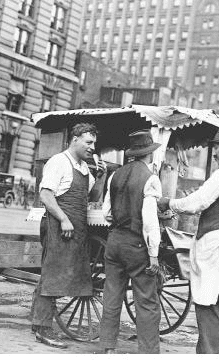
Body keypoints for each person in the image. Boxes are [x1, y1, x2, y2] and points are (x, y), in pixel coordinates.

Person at [158, 125, 219, 354]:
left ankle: (209, 353)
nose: (214, 153)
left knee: (209, 302)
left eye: (218, 148)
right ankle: (215, 351)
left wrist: (169, 202)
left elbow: (197, 203)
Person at [31, 123, 107, 348]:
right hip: (57, 226)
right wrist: (63, 218)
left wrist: (100, 177)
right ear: (75, 139)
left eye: (94, 143)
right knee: (53, 274)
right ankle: (43, 329)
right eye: (88, 142)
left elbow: (91, 195)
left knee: (56, 273)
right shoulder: (59, 162)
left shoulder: (84, 167)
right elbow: (45, 195)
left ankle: (38, 321)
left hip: (75, 229)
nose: (92, 147)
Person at [99, 129, 162, 354]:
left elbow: (106, 213)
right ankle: (148, 352)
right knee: (147, 302)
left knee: (112, 295)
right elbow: (150, 221)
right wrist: (153, 253)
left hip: (114, 241)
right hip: (136, 246)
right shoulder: (150, 178)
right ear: (150, 154)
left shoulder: (115, 175)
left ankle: (107, 347)